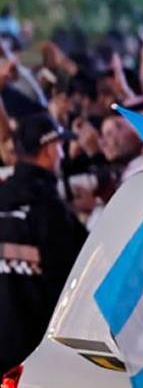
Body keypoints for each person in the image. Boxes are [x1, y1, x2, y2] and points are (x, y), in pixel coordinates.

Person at [0, 112, 88, 371]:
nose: (62, 155)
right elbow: (73, 284)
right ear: (49, 150)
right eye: (60, 147)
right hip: (32, 362)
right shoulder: (49, 209)